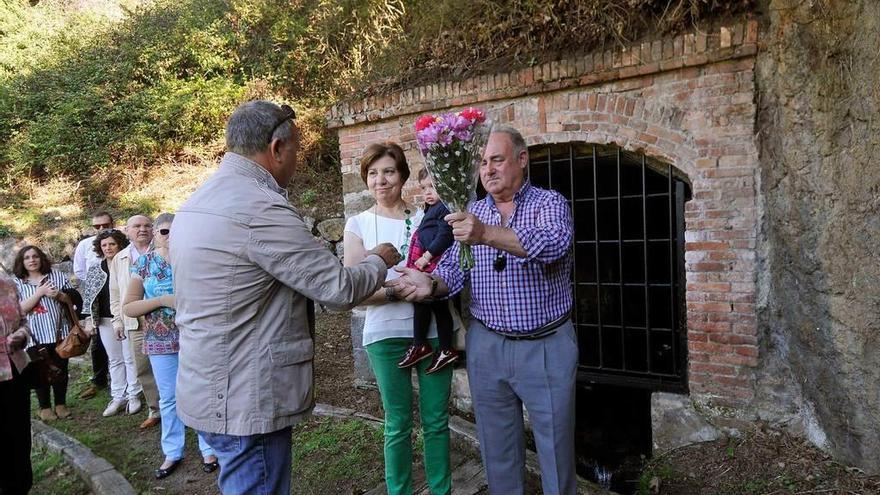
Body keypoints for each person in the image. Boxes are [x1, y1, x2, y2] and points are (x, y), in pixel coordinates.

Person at [170, 100, 399, 495]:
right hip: (246, 396)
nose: (297, 159)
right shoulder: (260, 208)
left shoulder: (198, 202)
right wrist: (379, 259)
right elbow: (338, 288)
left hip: (207, 384)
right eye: (295, 149)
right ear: (276, 148)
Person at [388, 125, 578, 495]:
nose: (487, 169)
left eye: (497, 160)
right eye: (481, 162)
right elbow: (454, 272)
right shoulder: (470, 211)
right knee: (498, 453)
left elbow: (553, 245)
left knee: (555, 452)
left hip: (546, 346)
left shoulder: (548, 203)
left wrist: (486, 233)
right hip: (487, 346)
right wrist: (430, 284)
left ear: (521, 160)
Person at [343, 142, 453, 495]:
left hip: (433, 333)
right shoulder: (358, 224)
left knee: (436, 421)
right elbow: (352, 287)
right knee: (398, 423)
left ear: (403, 175)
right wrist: (394, 292)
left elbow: (449, 267)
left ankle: (441, 490)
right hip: (384, 336)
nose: (381, 180)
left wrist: (428, 287)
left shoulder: (426, 217)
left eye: (388, 171)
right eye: (373, 173)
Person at [123, 213, 219, 479]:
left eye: (176, 231)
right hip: (160, 340)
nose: (170, 236)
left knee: (200, 392)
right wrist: (163, 300)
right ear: (155, 233)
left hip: (196, 336)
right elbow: (129, 307)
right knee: (168, 398)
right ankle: (173, 451)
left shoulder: (195, 260)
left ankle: (209, 447)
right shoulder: (143, 264)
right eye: (165, 231)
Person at [398, 167, 458, 373]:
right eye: (424, 188)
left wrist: (426, 256)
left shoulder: (445, 208)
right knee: (427, 303)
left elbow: (445, 236)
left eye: (433, 187)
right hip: (426, 258)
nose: (428, 192)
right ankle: (428, 345)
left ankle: (437, 347)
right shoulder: (430, 209)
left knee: (432, 303)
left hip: (435, 260)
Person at [81, 228, 142, 418]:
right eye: (104, 245)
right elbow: (89, 296)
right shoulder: (96, 269)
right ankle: (118, 396)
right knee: (115, 359)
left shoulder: (128, 264)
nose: (108, 248)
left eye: (112, 244)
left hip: (127, 316)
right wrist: (89, 319)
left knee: (130, 357)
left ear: (120, 245)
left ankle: (134, 394)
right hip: (105, 320)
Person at [109, 214, 161, 428]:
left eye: (147, 225)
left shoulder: (163, 251)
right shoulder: (119, 258)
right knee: (142, 367)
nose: (142, 229)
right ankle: (155, 409)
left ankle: (181, 408)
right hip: (135, 321)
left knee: (173, 365)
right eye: (137, 226)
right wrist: (117, 321)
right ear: (127, 231)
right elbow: (115, 293)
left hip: (164, 317)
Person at [12, 245, 75, 421]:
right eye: (27, 258)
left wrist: (59, 296)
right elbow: (18, 309)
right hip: (33, 335)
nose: (32, 260)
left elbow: (72, 300)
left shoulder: (57, 276)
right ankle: (45, 407)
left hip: (58, 331)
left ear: (41, 258)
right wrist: (39, 292)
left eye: (35, 256)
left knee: (61, 368)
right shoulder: (16, 283)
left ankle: (61, 404)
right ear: (21, 262)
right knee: (40, 371)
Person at [74, 211, 114, 400]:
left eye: (105, 225)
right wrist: (95, 284)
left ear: (112, 223)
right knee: (97, 342)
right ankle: (99, 381)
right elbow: (79, 270)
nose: (101, 229)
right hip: (96, 297)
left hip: (118, 293)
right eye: (97, 226)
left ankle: (123, 381)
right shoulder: (84, 245)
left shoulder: (120, 243)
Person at [0, 276, 34, 495]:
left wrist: (21, 335)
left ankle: (19, 488)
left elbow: (23, 322)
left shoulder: (7, 284)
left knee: (19, 435)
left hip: (15, 371)